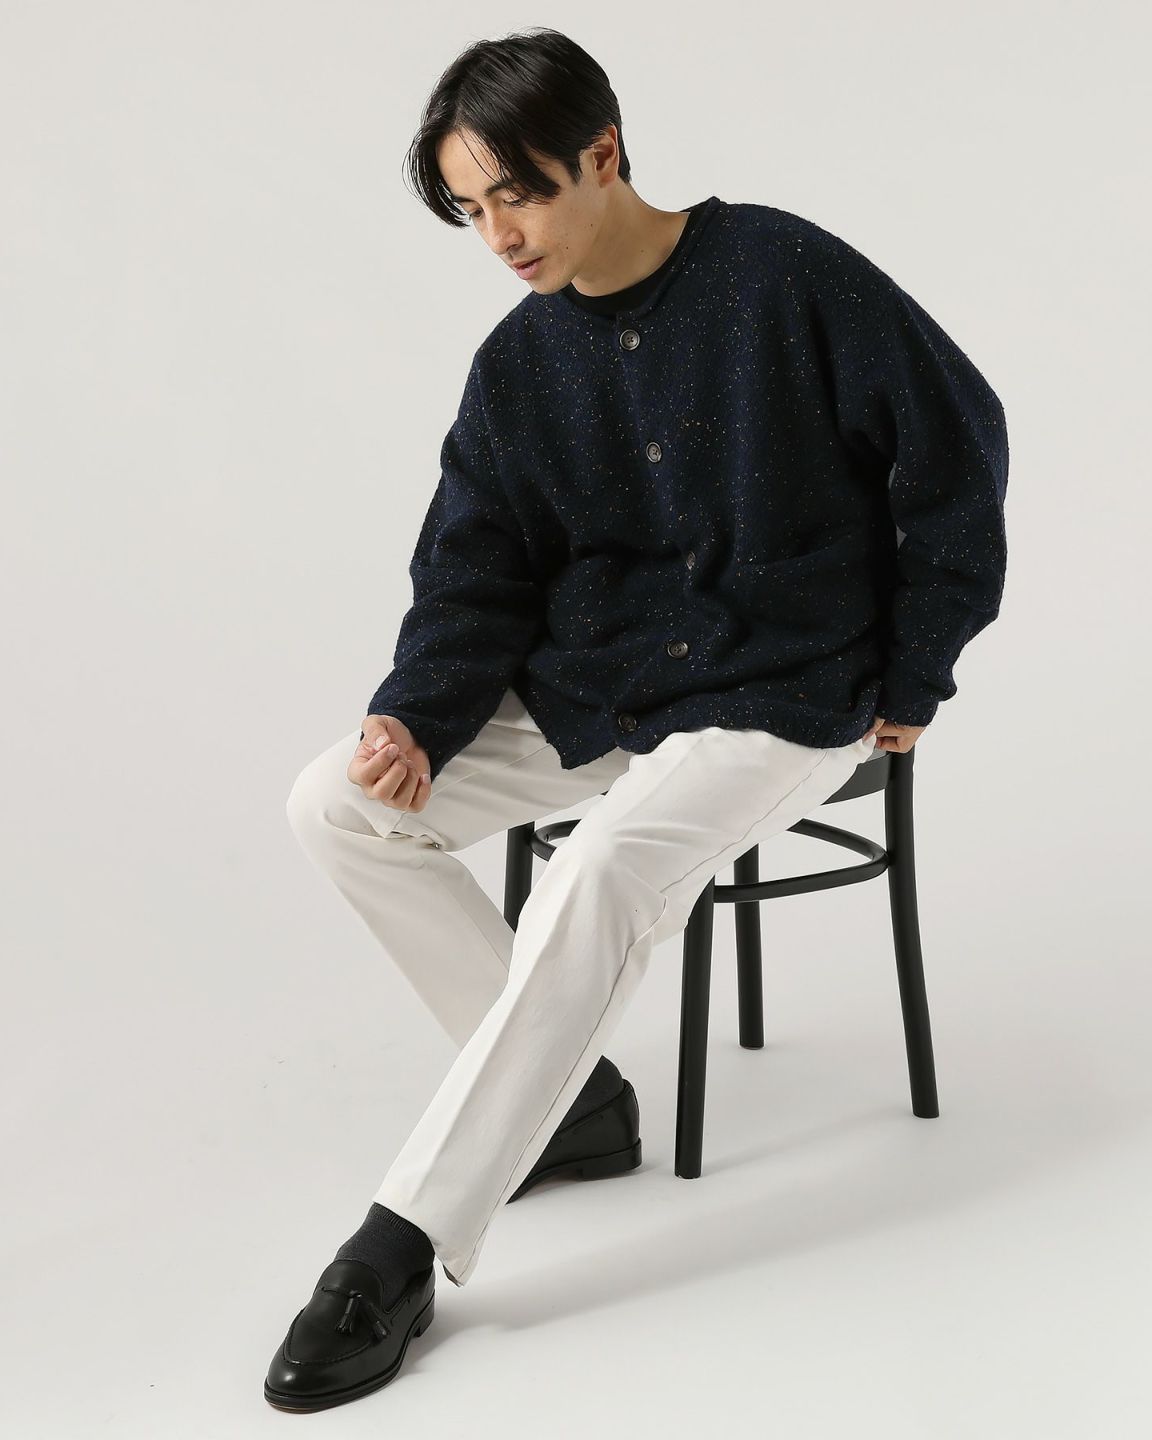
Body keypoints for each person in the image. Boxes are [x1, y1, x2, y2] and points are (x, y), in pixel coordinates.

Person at [263, 26, 1008, 1412]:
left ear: (601, 154)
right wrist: (416, 716)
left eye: (517, 195)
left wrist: (917, 672)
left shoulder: (780, 271)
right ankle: (571, 1104)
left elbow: (957, 446)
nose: (499, 237)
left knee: (601, 868)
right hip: (605, 683)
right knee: (336, 805)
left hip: (788, 687)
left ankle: (401, 1244)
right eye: (470, 210)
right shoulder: (517, 363)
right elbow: (475, 568)